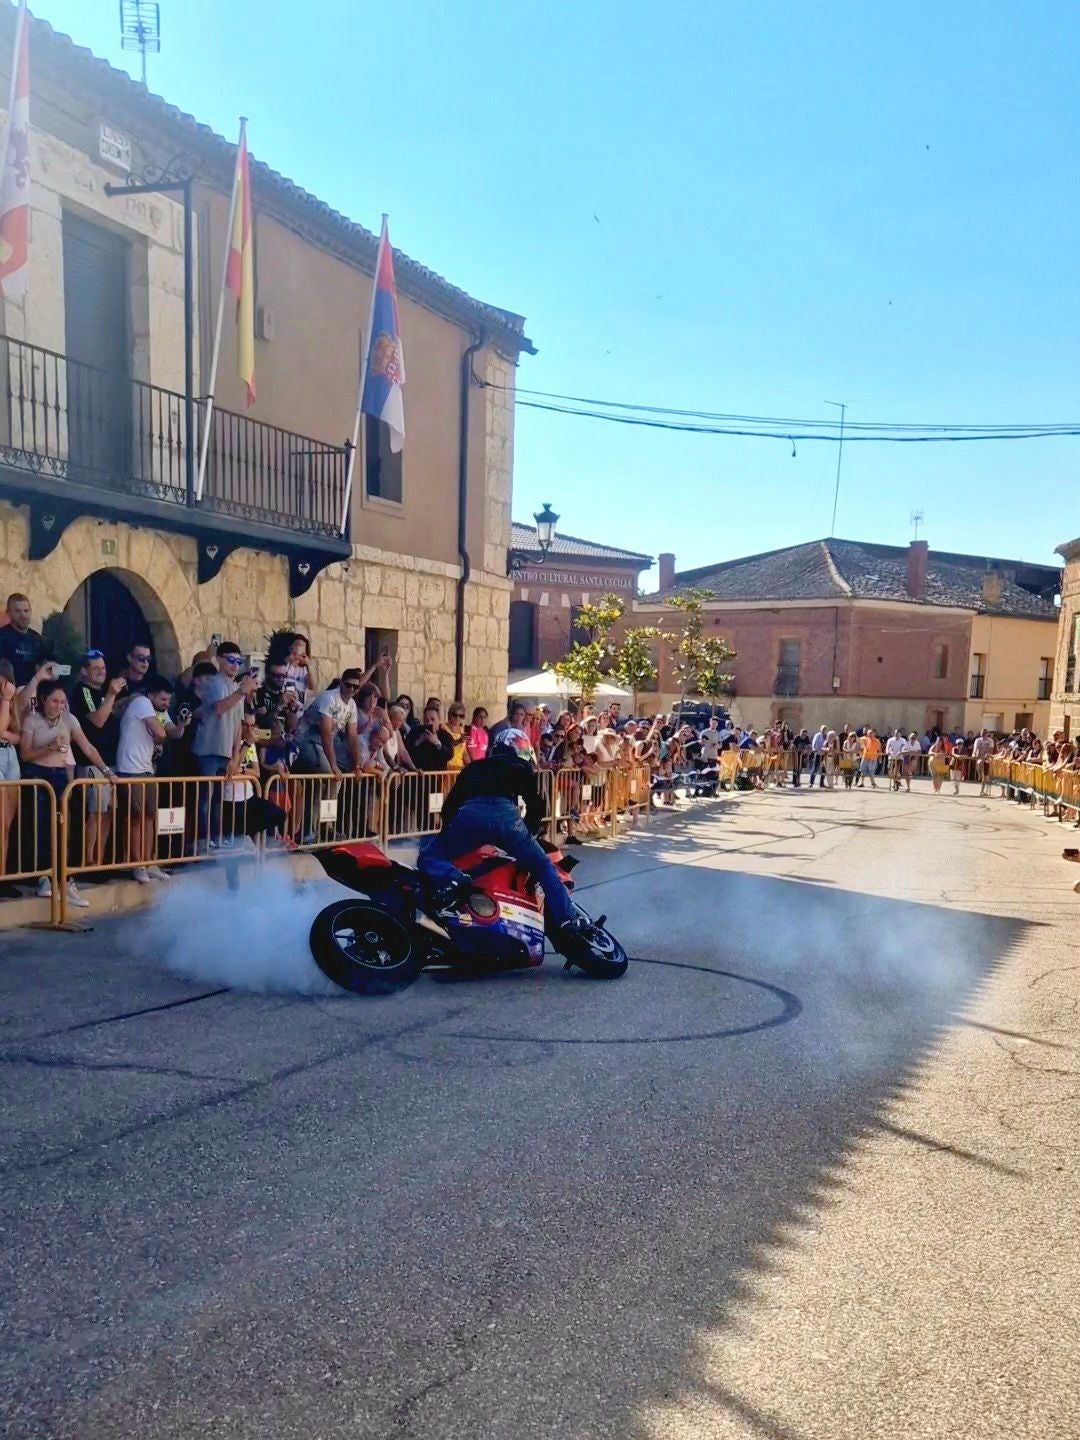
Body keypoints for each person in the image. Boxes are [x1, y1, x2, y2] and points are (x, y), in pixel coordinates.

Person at [416, 727, 582, 943]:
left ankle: (457, 879)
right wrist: (528, 833)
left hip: (469, 815)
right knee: (542, 866)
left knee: (428, 857)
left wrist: (450, 836)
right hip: (507, 818)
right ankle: (567, 919)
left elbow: (449, 808)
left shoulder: (473, 767)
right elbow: (536, 804)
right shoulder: (520, 766)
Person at [19, 678, 113, 907]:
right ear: (43, 700)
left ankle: (66, 879)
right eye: (54, 701)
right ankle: (44, 878)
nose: (59, 705)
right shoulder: (32, 720)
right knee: (41, 828)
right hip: (37, 775)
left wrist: (107, 770)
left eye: (62, 701)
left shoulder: (70, 720)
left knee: (64, 828)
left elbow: (87, 747)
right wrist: (48, 748)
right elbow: (25, 755)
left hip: (62, 777)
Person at [115, 673, 190, 883]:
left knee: (149, 817)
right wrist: (160, 739)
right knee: (135, 818)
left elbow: (173, 733)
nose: (167, 704)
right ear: (151, 695)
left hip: (147, 769)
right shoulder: (141, 703)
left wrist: (182, 724)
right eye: (163, 700)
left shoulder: (158, 710)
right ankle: (136, 863)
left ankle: (149, 861)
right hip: (130, 768)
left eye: (169, 700)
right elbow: (161, 732)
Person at [191, 642, 258, 845]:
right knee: (205, 800)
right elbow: (219, 708)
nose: (235, 665)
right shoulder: (213, 683)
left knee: (219, 800)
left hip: (225, 753)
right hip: (207, 749)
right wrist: (241, 692)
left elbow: (238, 727)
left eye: (238, 661)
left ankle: (217, 839)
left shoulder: (236, 688)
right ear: (219, 660)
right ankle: (202, 840)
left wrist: (236, 756)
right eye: (230, 660)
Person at [67, 650, 126, 867]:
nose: (102, 672)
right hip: (91, 764)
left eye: (103, 667)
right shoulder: (83, 692)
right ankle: (89, 861)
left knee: (108, 813)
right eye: (96, 668)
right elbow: (97, 722)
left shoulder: (100, 693)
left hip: (109, 763)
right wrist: (111, 695)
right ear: (84, 671)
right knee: (95, 813)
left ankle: (100, 860)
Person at [297, 669, 367, 776]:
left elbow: (352, 736)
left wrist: (357, 766)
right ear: (342, 684)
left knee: (345, 767)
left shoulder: (352, 705)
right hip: (308, 740)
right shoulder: (329, 699)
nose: (352, 689)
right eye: (349, 685)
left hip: (322, 743)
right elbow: (326, 733)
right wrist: (333, 765)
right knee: (329, 774)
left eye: (355, 687)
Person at [0, 661, 23, 890]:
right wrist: (5, 700)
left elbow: (17, 735)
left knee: (7, 823)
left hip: (10, 756)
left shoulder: (12, 701)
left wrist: (5, 734)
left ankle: (3, 875)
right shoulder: (7, 700)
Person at [0, 593, 47, 685]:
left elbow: (42, 667)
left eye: (26, 611)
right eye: (18, 611)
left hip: (34, 693)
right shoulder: (2, 636)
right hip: (8, 694)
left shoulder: (37, 638)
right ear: (8, 613)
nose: (23, 615)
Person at [408, 703, 454, 771]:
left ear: (439, 720)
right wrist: (418, 742)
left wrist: (437, 743)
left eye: (433, 719)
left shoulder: (446, 735)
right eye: (426, 720)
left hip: (437, 777)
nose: (429, 722)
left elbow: (449, 755)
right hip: (417, 776)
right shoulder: (415, 732)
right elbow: (407, 752)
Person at [442, 703, 470, 771]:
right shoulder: (443, 727)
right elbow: (444, 747)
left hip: (460, 768)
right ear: (450, 714)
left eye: (461, 716)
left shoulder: (462, 729)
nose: (458, 718)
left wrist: (471, 766)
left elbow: (464, 751)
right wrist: (459, 740)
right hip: (448, 768)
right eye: (455, 715)